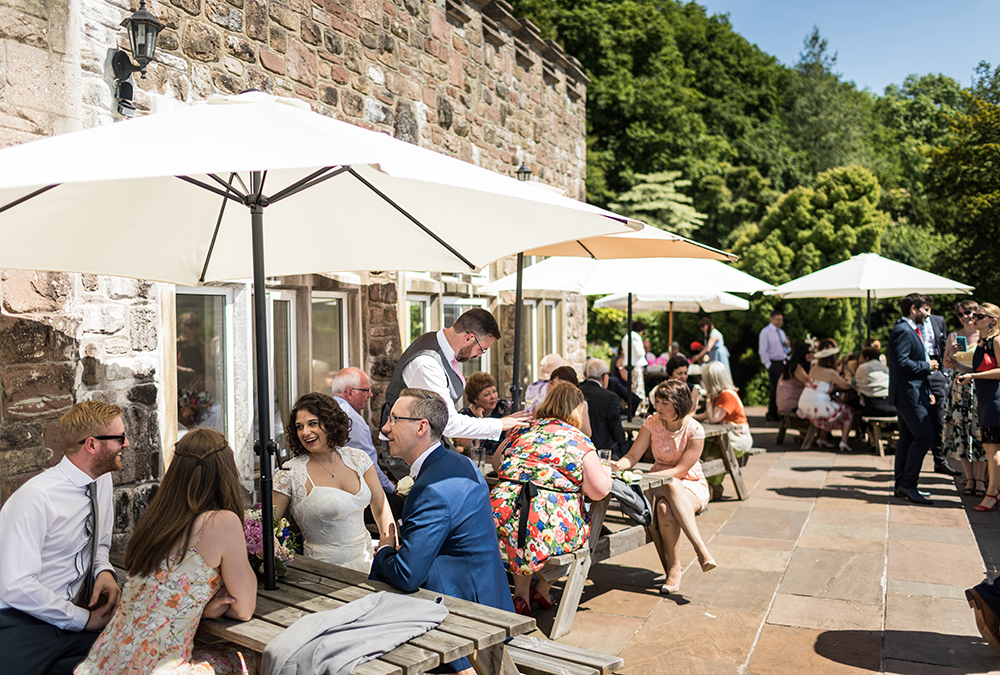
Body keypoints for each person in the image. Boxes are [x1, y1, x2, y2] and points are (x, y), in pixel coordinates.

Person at [75, 429, 257, 674]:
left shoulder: (154, 523)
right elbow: (244, 609)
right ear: (226, 472)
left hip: (103, 665)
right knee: (256, 658)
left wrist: (204, 607)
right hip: (159, 670)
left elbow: (165, 597)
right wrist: (210, 608)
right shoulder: (221, 522)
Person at [372, 389, 514, 675]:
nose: (385, 428)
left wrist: (386, 549)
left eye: (394, 419)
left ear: (421, 427)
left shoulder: (431, 489)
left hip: (461, 621)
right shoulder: (459, 463)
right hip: (490, 599)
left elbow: (407, 575)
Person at [0, 401, 125, 675]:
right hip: (20, 623)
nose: (126, 444)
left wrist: (103, 571)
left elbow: (100, 543)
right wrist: (84, 620)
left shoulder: (101, 479)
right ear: (92, 445)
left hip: (68, 624)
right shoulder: (35, 499)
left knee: (128, 660)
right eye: (120, 438)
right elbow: (16, 586)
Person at [490, 382, 612, 616]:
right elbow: (599, 490)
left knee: (521, 526)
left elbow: (497, 464)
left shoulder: (522, 430)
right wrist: (604, 472)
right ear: (579, 410)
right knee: (562, 528)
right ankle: (543, 588)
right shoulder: (578, 440)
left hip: (500, 515)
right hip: (546, 523)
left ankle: (521, 597)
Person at [380, 308, 529, 476]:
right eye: (482, 349)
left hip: (425, 441)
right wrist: (500, 424)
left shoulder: (436, 342)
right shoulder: (427, 364)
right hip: (407, 449)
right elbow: (448, 424)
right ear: (468, 338)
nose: (479, 355)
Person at [613, 380, 715, 594]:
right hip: (659, 482)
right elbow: (632, 456)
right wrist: (618, 465)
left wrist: (649, 475)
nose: (658, 407)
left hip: (690, 483)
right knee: (669, 486)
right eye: (657, 401)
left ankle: (674, 568)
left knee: (664, 509)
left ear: (679, 404)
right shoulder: (652, 423)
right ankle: (699, 548)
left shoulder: (695, 429)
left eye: (664, 403)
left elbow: (680, 470)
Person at [273, 393, 394, 571]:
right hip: (326, 570)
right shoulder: (290, 473)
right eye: (299, 427)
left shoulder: (358, 458)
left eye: (312, 423)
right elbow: (266, 527)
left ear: (331, 423)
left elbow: (380, 504)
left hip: (369, 558)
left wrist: (387, 545)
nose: (305, 432)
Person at [332, 367, 405, 520]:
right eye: (366, 390)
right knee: (401, 505)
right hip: (347, 497)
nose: (370, 395)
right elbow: (368, 465)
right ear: (350, 392)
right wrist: (393, 488)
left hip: (332, 490)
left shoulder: (329, 410)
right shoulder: (352, 419)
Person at [887, 293, 940, 505]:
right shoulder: (903, 330)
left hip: (912, 393)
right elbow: (901, 363)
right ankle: (908, 484)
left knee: (908, 438)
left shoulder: (909, 329)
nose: (928, 314)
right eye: (926, 309)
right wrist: (928, 366)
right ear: (913, 309)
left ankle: (902, 485)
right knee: (925, 437)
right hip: (909, 395)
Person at [956, 303, 1000, 512]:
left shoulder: (997, 341)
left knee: (993, 449)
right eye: (976, 314)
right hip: (985, 399)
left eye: (980, 315)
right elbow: (980, 368)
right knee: (990, 448)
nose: (975, 317)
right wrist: (960, 368)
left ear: (993, 320)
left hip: (995, 400)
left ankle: (992, 494)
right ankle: (994, 490)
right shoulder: (983, 342)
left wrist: (973, 375)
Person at [942, 299, 987, 497]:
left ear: (977, 312)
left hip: (980, 387)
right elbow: (945, 364)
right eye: (960, 314)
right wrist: (950, 356)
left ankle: (981, 479)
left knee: (980, 432)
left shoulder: (985, 335)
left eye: (968, 312)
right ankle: (969, 479)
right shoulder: (954, 336)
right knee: (961, 431)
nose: (965, 317)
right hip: (959, 387)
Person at [696, 361, 754, 500]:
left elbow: (713, 418)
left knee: (711, 454)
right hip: (729, 437)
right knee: (701, 448)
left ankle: (714, 487)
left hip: (739, 438)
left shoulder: (727, 395)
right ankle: (712, 486)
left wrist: (708, 399)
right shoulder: (721, 394)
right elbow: (706, 416)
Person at [922, 296, 963, 477]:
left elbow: (941, 346)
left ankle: (939, 460)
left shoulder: (938, 321)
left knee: (939, 418)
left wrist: (944, 371)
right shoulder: (907, 325)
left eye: (928, 308)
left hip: (937, 373)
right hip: (918, 372)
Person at [796, 339, 855, 452]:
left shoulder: (813, 369)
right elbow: (846, 386)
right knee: (849, 410)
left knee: (829, 405)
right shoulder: (831, 373)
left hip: (804, 403)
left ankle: (822, 437)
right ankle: (844, 441)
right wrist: (848, 376)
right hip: (818, 405)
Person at [578, 358, 628, 459]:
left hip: (579, 447)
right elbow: (616, 428)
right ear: (604, 377)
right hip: (604, 451)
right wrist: (623, 443)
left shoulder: (576, 392)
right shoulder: (610, 397)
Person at [456, 371, 513, 455]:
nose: (493, 397)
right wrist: (478, 421)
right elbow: (465, 447)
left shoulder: (503, 407)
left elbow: (511, 438)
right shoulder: (464, 415)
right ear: (475, 399)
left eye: (494, 391)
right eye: (487, 394)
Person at [759, 309, 790, 422]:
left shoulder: (781, 332)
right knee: (775, 388)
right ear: (771, 319)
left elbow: (786, 349)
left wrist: (787, 346)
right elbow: (763, 350)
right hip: (774, 362)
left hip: (783, 361)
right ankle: (772, 412)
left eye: (781, 319)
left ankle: (779, 411)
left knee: (782, 388)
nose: (779, 321)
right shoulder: (765, 332)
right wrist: (768, 365)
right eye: (777, 319)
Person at [854, 341, 896, 417]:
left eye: (861, 358)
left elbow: (856, 385)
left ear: (866, 358)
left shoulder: (863, 367)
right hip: (891, 406)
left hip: (873, 407)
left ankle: (865, 429)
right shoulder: (884, 367)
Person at [776, 341, 812, 414]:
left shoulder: (792, 365)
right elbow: (810, 382)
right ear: (802, 354)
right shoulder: (796, 367)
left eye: (813, 352)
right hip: (791, 405)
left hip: (785, 403)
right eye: (809, 352)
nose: (811, 355)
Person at [619, 319, 648, 408]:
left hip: (628, 364)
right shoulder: (635, 337)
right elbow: (639, 352)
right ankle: (639, 409)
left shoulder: (625, 337)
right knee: (637, 388)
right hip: (635, 364)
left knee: (632, 388)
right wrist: (644, 351)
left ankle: (633, 407)